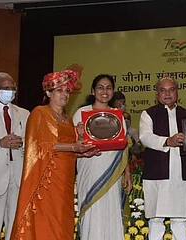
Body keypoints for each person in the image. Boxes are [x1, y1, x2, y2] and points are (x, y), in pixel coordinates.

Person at [10, 70, 96, 240]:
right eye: (59, 90)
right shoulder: (39, 113)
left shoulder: (68, 118)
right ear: (48, 93)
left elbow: (66, 150)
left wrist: (82, 152)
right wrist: (73, 146)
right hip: (46, 179)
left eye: (67, 91)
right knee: (46, 218)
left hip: (65, 179)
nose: (65, 94)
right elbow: (39, 146)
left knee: (63, 219)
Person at [139, 77, 186, 240]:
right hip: (157, 175)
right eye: (163, 90)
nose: (167, 93)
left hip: (181, 175)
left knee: (180, 219)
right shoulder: (148, 114)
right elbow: (145, 137)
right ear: (157, 94)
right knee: (156, 219)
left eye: (171, 90)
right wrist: (167, 141)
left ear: (177, 93)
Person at [72, 74, 132, 240]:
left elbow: (124, 146)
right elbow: (75, 144)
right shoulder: (82, 113)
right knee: (92, 209)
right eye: (100, 87)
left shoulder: (117, 114)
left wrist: (127, 173)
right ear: (93, 91)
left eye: (108, 87)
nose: (104, 91)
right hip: (90, 169)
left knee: (110, 210)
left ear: (113, 91)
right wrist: (80, 135)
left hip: (112, 172)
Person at [0, 73, 29, 240]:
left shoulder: (24, 113)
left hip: (17, 176)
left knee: (15, 224)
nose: (10, 91)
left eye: (13, 88)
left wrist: (21, 142)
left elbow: (33, 140)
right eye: (5, 88)